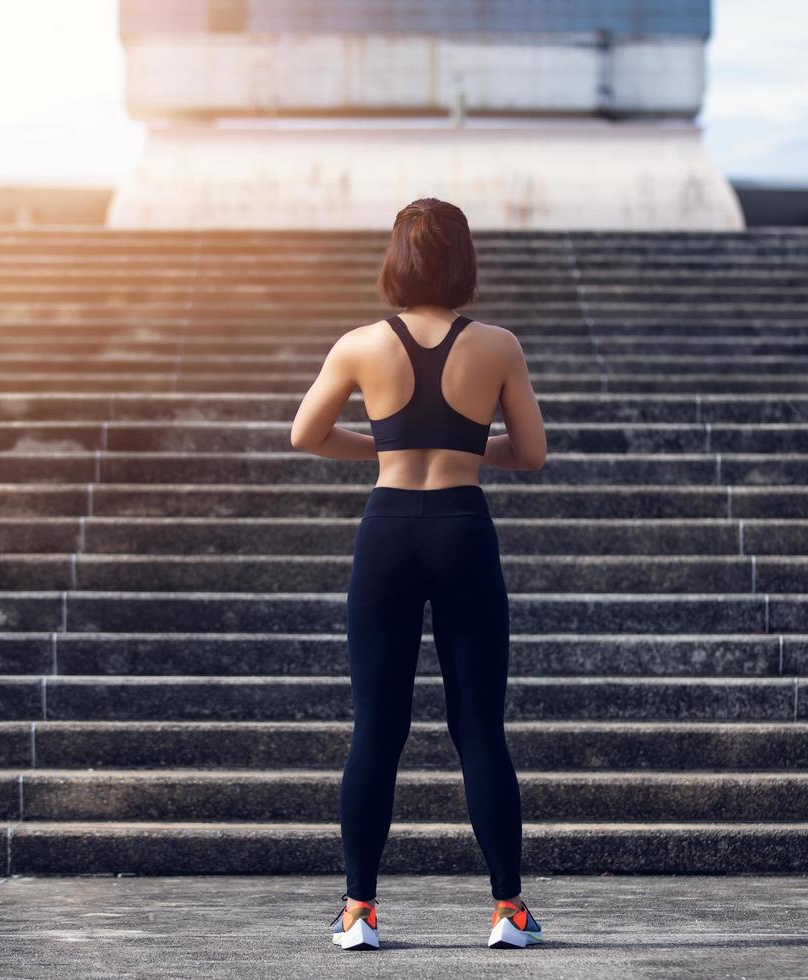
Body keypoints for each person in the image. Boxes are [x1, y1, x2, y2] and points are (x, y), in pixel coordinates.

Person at [290, 197, 548, 950]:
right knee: (479, 730)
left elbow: (305, 433)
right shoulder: (497, 345)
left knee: (377, 727)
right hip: (464, 529)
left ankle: (358, 912)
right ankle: (508, 911)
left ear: (397, 261)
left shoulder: (361, 344)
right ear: (463, 262)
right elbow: (530, 453)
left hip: (389, 531)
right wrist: (467, 451)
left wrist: (385, 449)